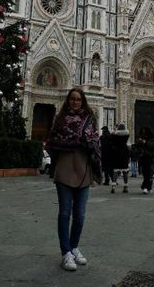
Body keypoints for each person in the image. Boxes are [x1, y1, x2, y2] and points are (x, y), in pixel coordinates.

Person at [46, 88, 101, 272]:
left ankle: (74, 246)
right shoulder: (60, 120)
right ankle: (66, 253)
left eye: (79, 99)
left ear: (83, 101)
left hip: (83, 171)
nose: (75, 102)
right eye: (73, 99)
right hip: (64, 170)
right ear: (68, 101)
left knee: (80, 216)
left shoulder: (90, 121)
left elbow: (95, 143)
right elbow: (52, 143)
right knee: (64, 213)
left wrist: (87, 144)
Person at [109, 123, 130, 193]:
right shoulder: (127, 135)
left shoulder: (115, 135)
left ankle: (113, 186)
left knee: (115, 170)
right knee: (125, 171)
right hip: (124, 153)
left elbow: (111, 139)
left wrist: (114, 131)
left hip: (117, 153)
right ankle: (125, 187)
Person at [136, 127, 154, 194]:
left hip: (150, 158)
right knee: (145, 173)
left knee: (148, 173)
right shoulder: (142, 139)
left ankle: (146, 187)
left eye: (145, 133)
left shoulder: (153, 140)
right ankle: (148, 187)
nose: (144, 134)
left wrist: (145, 143)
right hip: (143, 158)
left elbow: (153, 146)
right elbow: (138, 146)